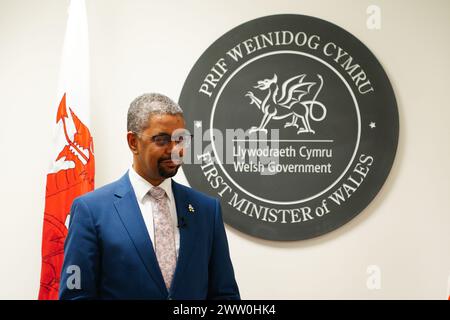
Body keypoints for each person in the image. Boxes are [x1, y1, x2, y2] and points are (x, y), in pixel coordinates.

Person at [59, 93, 240, 300]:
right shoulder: (91, 211)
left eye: (180, 139)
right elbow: (76, 296)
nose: (175, 150)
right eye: (162, 140)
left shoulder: (207, 210)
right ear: (133, 142)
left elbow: (225, 295)